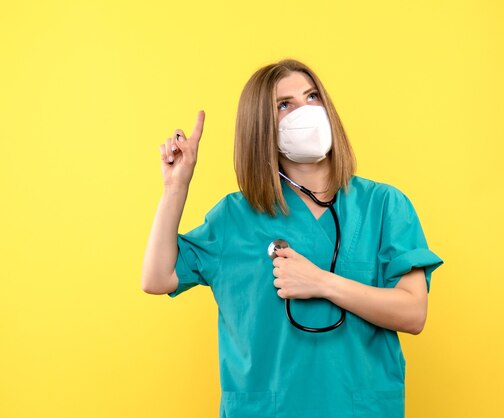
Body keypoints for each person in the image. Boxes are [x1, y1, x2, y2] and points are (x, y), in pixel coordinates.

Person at [142, 58, 444, 418]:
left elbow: (413, 313)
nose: (306, 111)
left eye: (312, 96)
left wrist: (322, 283)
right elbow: (157, 278)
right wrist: (176, 188)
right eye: (285, 105)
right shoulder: (234, 217)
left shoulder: (383, 205)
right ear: (260, 128)